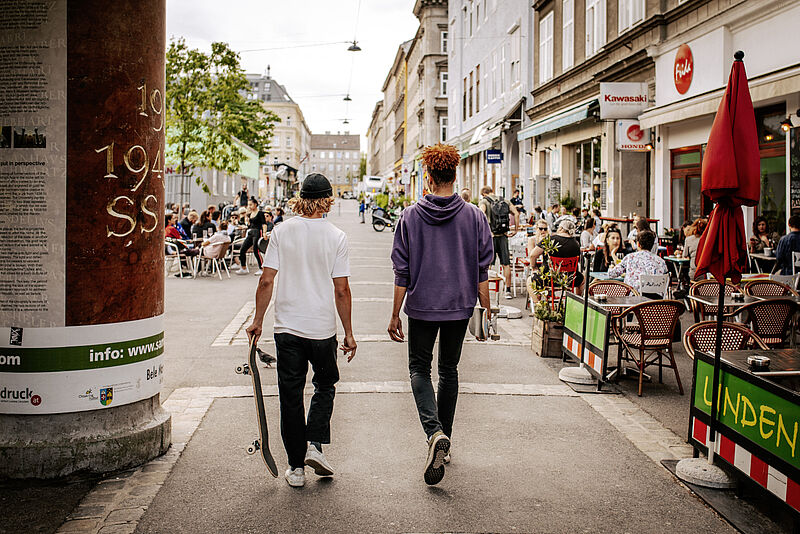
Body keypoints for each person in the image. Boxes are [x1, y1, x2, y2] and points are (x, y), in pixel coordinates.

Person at [388, 143, 493, 486]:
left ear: (428, 178)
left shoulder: (409, 217)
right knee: (449, 369)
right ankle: (443, 443)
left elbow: (401, 272)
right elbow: (482, 270)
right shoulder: (475, 216)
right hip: (459, 306)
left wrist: (394, 314)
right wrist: (486, 310)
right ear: (454, 175)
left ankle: (433, 431)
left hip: (420, 306)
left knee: (419, 368)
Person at [246, 173, 356, 489]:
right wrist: (348, 332)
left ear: (301, 198)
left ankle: (296, 468)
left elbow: (266, 280)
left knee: (290, 396)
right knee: (325, 383)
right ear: (327, 200)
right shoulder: (337, 236)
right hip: (322, 329)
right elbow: (342, 289)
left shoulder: (282, 231)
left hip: (287, 329)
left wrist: (258, 320)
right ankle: (314, 444)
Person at [528, 220, 584, 302]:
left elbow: (533, 255)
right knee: (582, 280)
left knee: (530, 281)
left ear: (561, 228)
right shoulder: (576, 243)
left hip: (549, 279)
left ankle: (538, 306)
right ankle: (577, 303)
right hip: (570, 279)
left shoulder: (551, 239)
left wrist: (534, 267)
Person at [479, 185, 519, 300]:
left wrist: (484, 231)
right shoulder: (504, 200)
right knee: (506, 264)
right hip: (503, 236)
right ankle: (508, 290)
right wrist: (515, 230)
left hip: (490, 237)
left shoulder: (484, 201)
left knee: (488, 264)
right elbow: (516, 213)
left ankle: (487, 290)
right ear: (492, 191)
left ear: (484, 194)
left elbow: (481, 214)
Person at [234, 197, 268, 276]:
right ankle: (243, 267)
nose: (249, 206)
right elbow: (248, 224)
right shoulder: (250, 213)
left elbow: (264, 224)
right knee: (242, 249)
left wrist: (264, 233)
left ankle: (261, 268)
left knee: (256, 251)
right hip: (250, 232)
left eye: (251, 204)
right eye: (248, 205)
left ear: (255, 204)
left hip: (257, 232)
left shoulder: (260, 213)